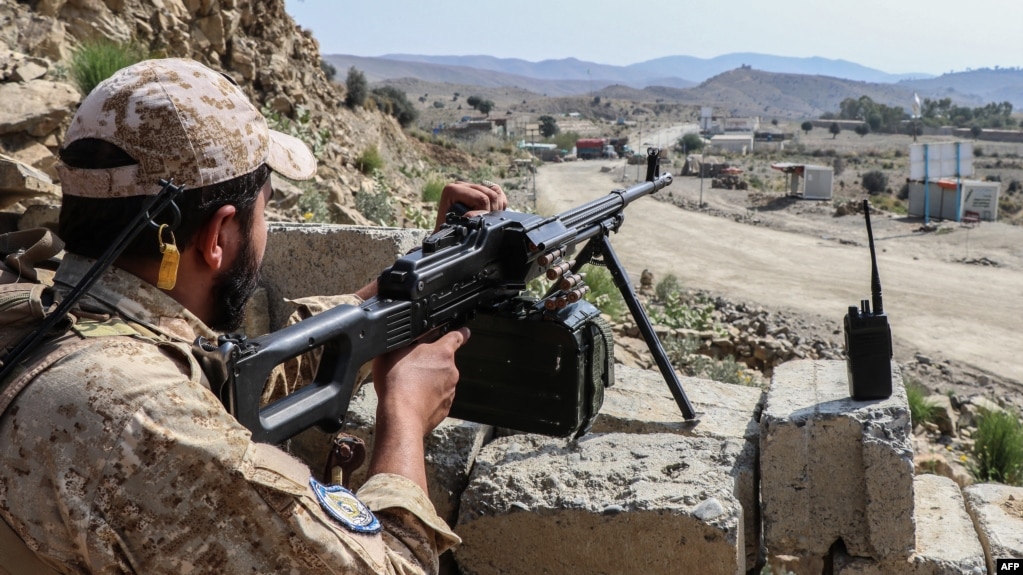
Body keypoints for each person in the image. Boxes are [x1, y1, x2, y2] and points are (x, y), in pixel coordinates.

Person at [0, 58, 506, 574]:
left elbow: (223, 374)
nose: (266, 230)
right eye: (265, 208)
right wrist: (404, 415)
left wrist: (407, 283)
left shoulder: (43, 311)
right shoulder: (149, 423)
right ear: (219, 237)